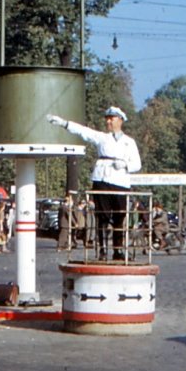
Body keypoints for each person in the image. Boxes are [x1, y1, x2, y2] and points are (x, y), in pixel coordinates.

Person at [48, 106, 142, 261]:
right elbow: (83, 131)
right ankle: (102, 250)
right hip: (102, 180)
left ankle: (118, 250)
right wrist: (64, 123)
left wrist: (125, 164)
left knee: (119, 217)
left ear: (120, 120)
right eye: (107, 118)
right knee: (102, 217)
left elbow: (137, 164)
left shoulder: (129, 142)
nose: (108, 121)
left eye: (112, 118)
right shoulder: (102, 138)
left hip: (120, 182)